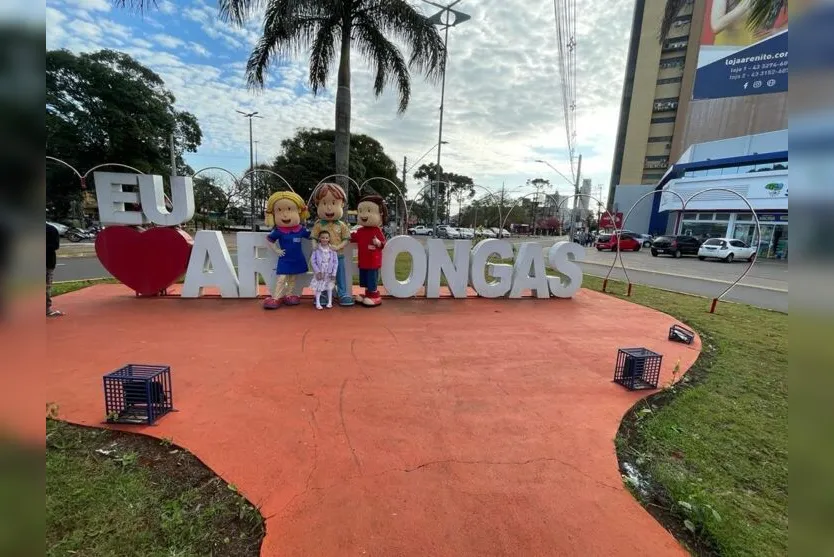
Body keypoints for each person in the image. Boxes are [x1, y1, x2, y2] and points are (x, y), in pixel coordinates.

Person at [262, 191, 311, 310]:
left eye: (289, 209)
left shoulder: (300, 229)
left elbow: (311, 236)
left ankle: (289, 295)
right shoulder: (278, 231)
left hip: (297, 258)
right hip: (285, 258)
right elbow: (269, 239)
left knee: (293, 278)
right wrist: (276, 250)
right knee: (282, 278)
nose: (285, 215)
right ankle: (277, 297)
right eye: (279, 211)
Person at [310, 183, 354, 306]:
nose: (329, 208)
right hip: (323, 257)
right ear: (318, 205)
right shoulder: (319, 225)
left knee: (339, 275)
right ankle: (323, 294)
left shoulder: (342, 225)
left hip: (337, 255)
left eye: (334, 203)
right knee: (323, 276)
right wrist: (314, 245)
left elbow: (346, 239)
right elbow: (313, 237)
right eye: (324, 203)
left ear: (342, 204)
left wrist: (338, 247)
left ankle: (342, 293)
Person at [352, 195, 387, 307]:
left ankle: (374, 295)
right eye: (361, 211)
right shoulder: (360, 231)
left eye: (368, 211)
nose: (364, 215)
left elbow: (383, 243)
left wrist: (378, 243)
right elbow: (353, 237)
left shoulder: (376, 230)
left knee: (372, 278)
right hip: (363, 261)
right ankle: (368, 294)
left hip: (373, 261)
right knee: (365, 278)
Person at [309, 230, 338, 310]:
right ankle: (318, 302)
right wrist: (317, 272)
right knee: (319, 286)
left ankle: (329, 302)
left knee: (329, 287)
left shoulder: (332, 249)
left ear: (329, 239)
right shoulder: (316, 249)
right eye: (323, 238)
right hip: (320, 271)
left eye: (326, 238)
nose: (324, 239)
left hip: (329, 271)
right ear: (319, 238)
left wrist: (334, 273)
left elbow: (335, 262)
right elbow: (313, 261)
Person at [46, 222, 63, 317]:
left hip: (47, 262)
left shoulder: (51, 229)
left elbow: (55, 245)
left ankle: (46, 309)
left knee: (46, 286)